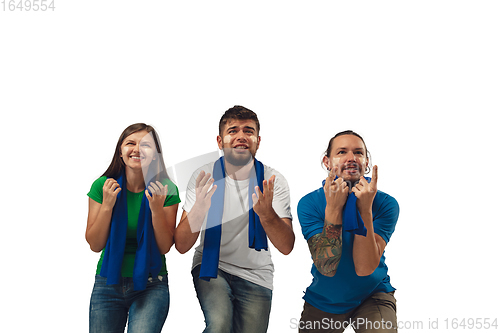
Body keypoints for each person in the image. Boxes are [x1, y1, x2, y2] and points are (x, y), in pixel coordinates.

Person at [174, 106, 295, 333]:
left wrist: (267, 214)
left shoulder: (273, 180)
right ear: (220, 141)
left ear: (258, 140)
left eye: (248, 131)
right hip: (212, 266)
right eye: (233, 131)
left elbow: (286, 246)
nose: (241, 136)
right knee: (219, 325)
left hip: (257, 274)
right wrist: (199, 208)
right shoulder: (203, 176)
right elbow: (181, 245)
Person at [297, 130, 399, 333]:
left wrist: (365, 210)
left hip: (372, 294)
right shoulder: (309, 204)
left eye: (358, 153)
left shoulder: (386, 204)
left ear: (366, 161)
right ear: (327, 161)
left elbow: (364, 267)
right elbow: (327, 267)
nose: (351, 158)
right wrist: (333, 209)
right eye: (342, 152)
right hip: (325, 298)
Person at [85, 123, 180, 333]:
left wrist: (156, 210)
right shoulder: (102, 186)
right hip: (108, 280)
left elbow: (165, 246)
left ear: (155, 154)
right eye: (130, 143)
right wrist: (108, 205)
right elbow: (95, 244)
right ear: (121, 151)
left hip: (151, 283)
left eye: (145, 145)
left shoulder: (166, 189)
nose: (137, 149)